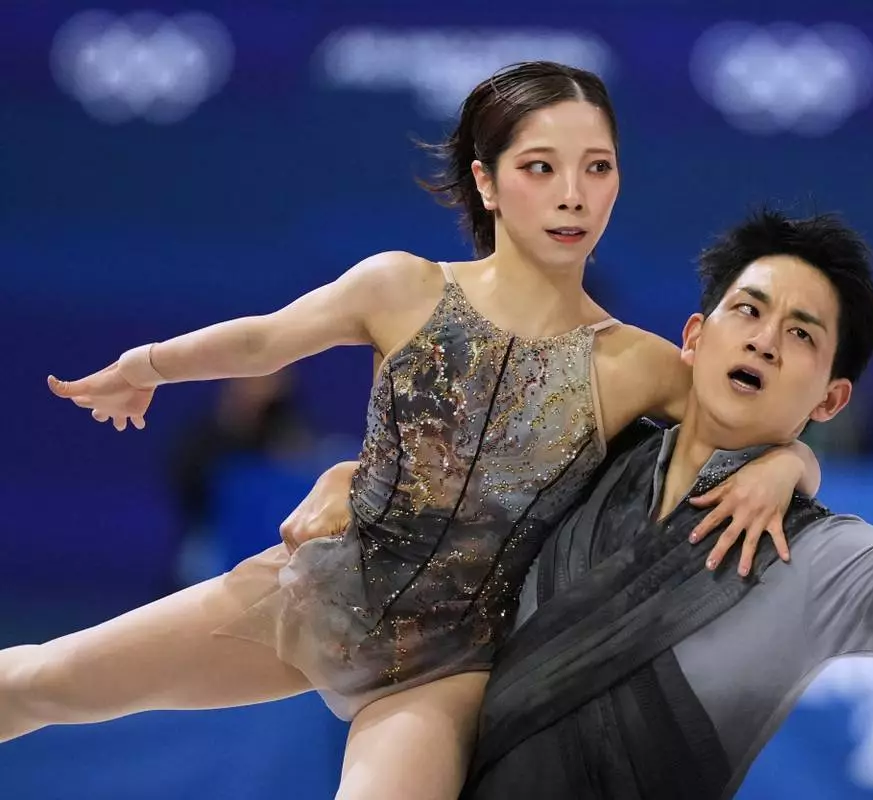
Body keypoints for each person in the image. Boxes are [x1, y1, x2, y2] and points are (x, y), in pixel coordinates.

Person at [1, 63, 819, 799]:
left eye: (596, 168)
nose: (574, 193)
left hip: (447, 665)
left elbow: (771, 436)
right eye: (541, 167)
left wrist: (785, 470)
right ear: (486, 182)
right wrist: (147, 365)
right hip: (314, 596)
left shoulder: (637, 363)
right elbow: (263, 338)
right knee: (37, 681)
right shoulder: (400, 286)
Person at [290, 209, 873, 800]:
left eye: (802, 335)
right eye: (749, 311)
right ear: (695, 338)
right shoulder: (580, 453)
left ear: (831, 400)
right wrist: (352, 482)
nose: (766, 340)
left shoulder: (816, 560)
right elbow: (444, 483)